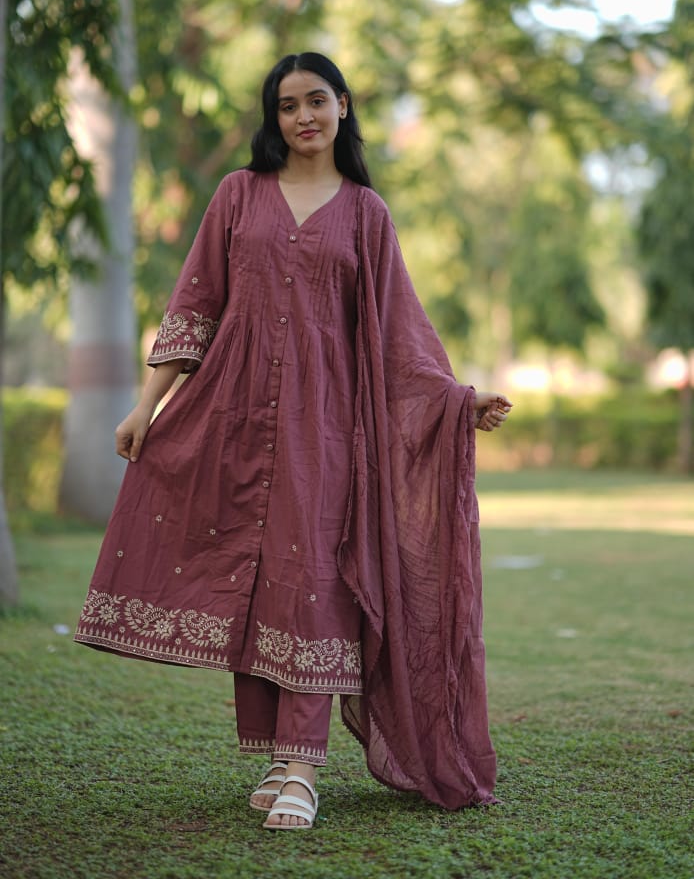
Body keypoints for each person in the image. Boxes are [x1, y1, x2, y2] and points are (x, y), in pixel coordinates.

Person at [75, 52, 512, 831]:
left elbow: (398, 335)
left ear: (343, 106)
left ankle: (303, 768)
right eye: (286, 105)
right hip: (233, 418)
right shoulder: (238, 194)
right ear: (273, 117)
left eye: (316, 100)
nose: (303, 116)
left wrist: (456, 400)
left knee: (312, 580)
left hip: (326, 432)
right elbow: (196, 306)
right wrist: (147, 406)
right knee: (255, 581)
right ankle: (281, 758)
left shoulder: (366, 215)